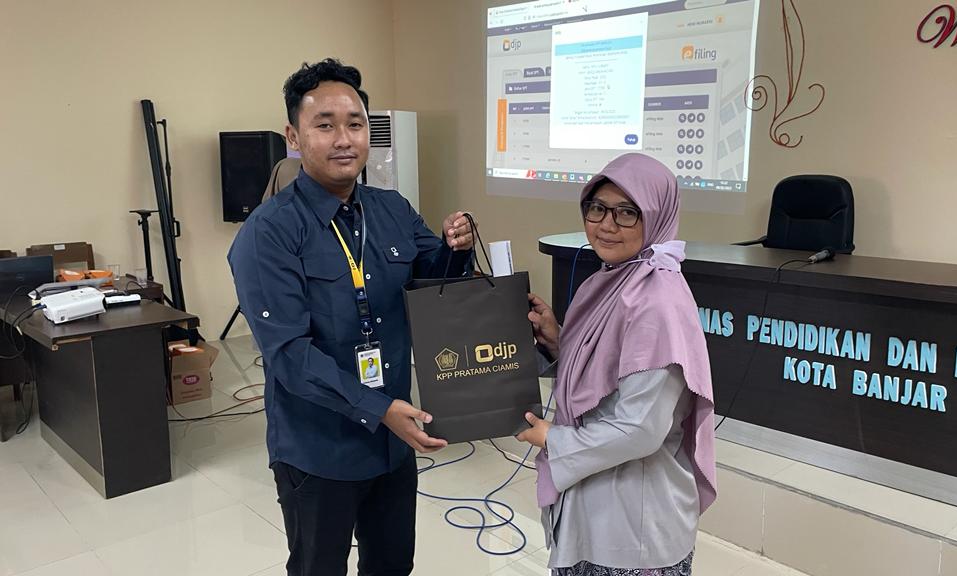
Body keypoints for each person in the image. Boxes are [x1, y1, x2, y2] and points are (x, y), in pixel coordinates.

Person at [228, 58, 476, 576]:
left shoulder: (392, 209)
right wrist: (379, 409)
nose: (344, 139)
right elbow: (288, 355)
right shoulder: (268, 233)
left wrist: (456, 249)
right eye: (325, 125)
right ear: (293, 137)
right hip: (319, 448)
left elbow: (432, 285)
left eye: (355, 124)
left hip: (391, 443)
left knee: (392, 564)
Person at [516, 153, 717, 576]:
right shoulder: (614, 279)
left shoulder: (657, 300)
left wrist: (553, 438)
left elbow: (640, 429)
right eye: (597, 208)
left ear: (656, 216)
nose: (607, 225)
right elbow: (611, 374)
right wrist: (559, 342)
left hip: (633, 527)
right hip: (595, 504)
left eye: (627, 212)